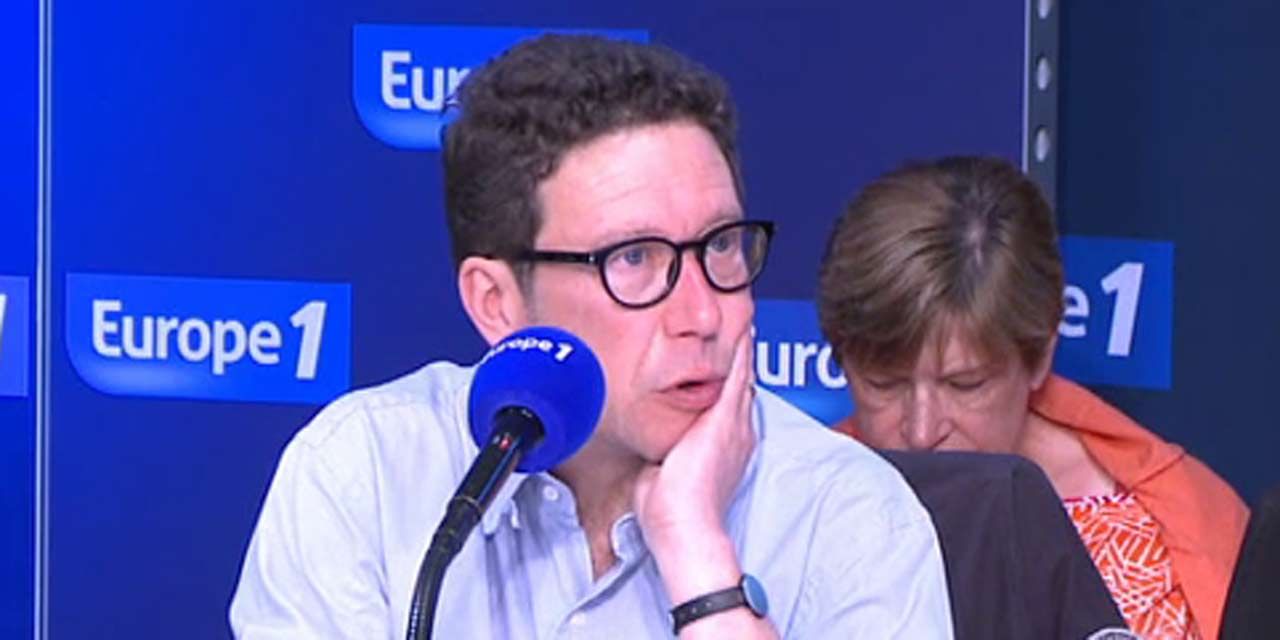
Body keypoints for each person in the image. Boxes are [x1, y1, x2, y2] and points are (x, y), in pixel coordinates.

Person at [230, 34, 953, 638]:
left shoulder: (850, 516)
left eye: (721, 245)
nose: (703, 315)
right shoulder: (365, 476)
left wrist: (701, 563)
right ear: (497, 303)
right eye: (633, 259)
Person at [817, 155, 1249, 640]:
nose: (921, 431)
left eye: (965, 385)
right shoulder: (796, 511)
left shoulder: (1157, 540)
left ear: (1040, 356)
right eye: (884, 384)